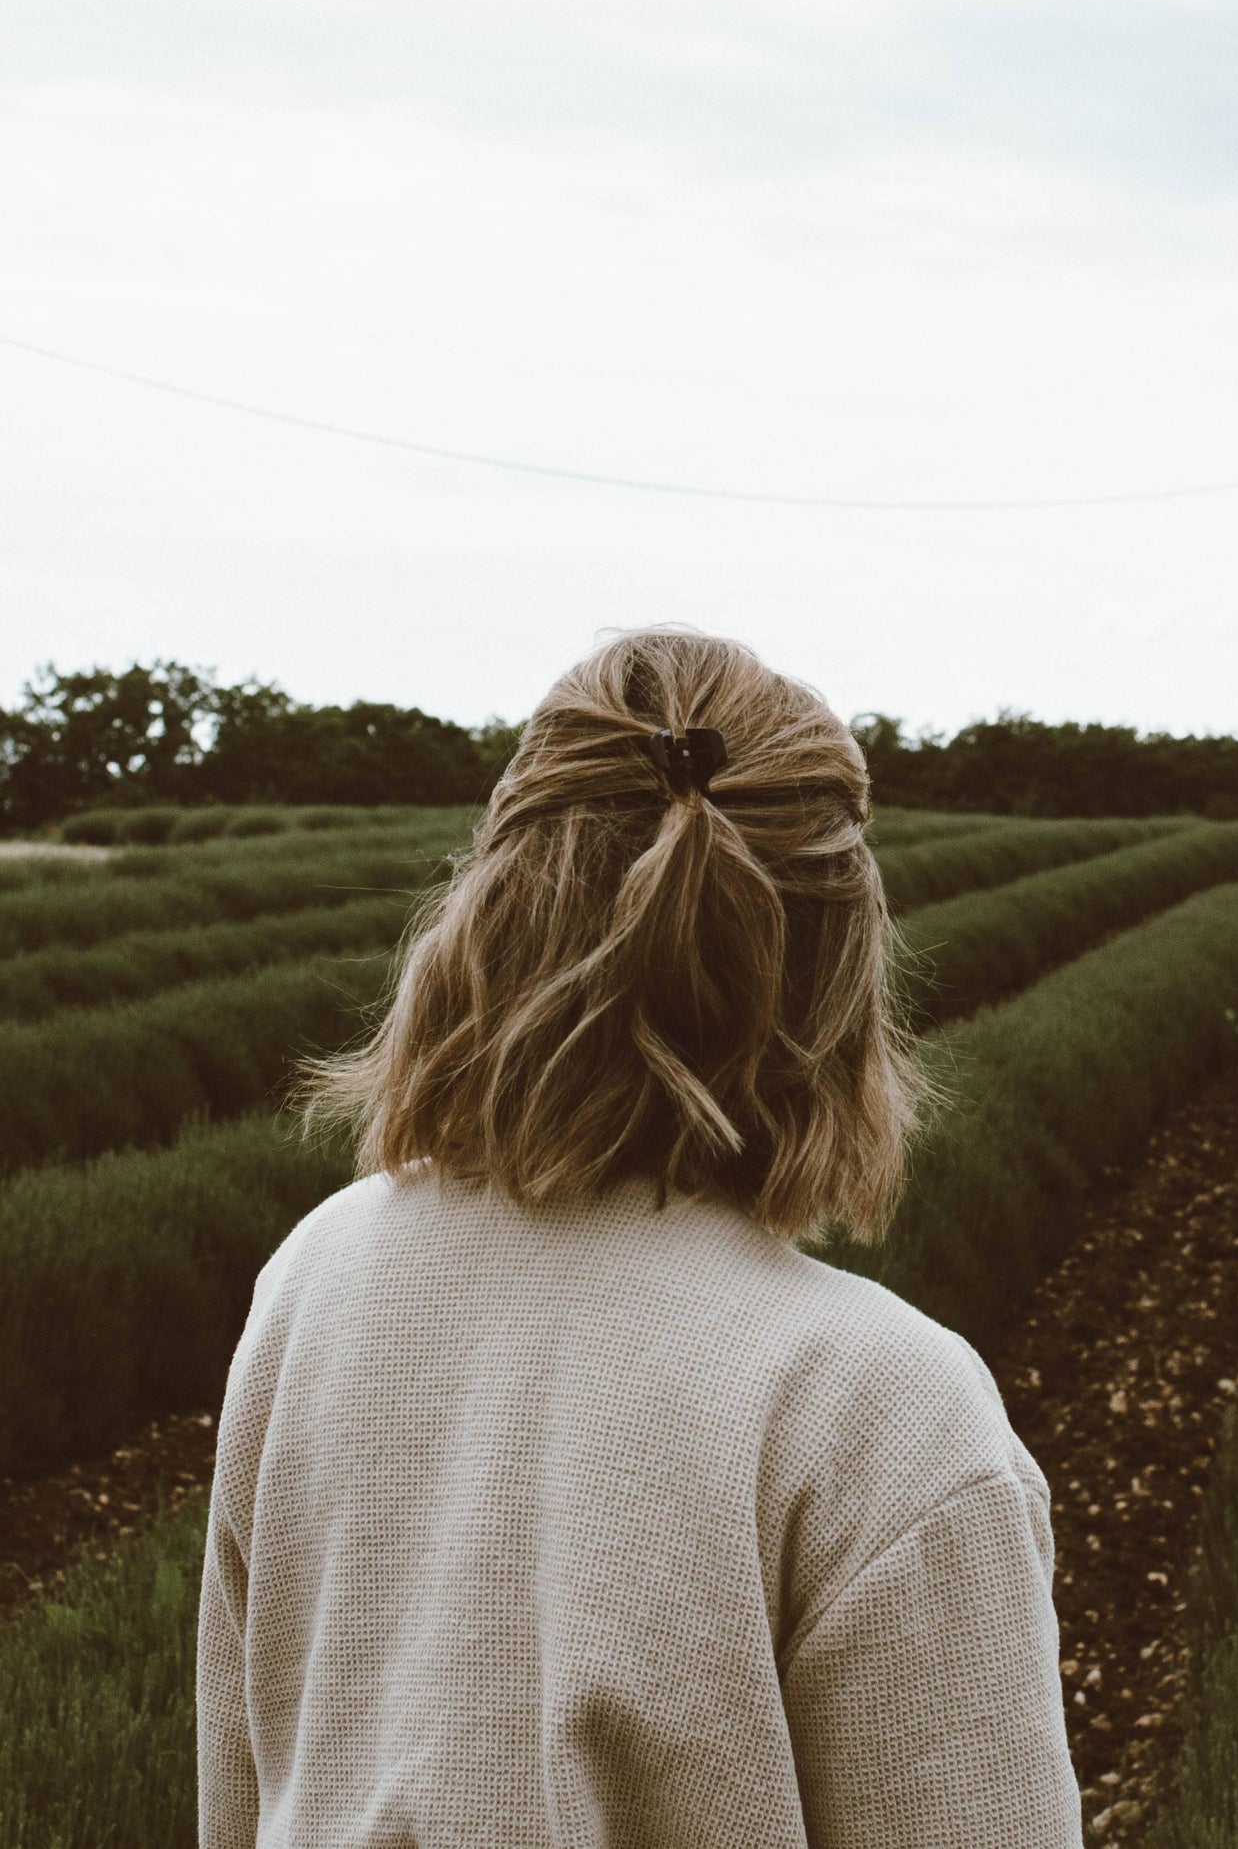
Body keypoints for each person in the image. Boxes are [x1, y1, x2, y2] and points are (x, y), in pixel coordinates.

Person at [197, 626, 1082, 1848]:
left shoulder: (320, 1275)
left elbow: (240, 1792)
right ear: (834, 965)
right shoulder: (881, 1405)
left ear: (491, 910)